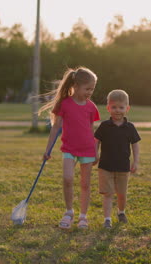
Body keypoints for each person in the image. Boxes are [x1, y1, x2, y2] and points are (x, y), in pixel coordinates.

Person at [39, 67, 100, 229]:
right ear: (76, 86)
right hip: (69, 149)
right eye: (87, 88)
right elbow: (55, 127)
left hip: (87, 149)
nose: (90, 92)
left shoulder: (91, 107)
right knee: (67, 179)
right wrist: (47, 149)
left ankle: (83, 216)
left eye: (92, 89)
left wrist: (96, 151)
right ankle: (69, 212)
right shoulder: (64, 104)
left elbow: (91, 129)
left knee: (85, 184)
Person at [94, 90, 141, 229]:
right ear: (108, 108)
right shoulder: (104, 126)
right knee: (107, 194)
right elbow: (96, 141)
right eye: (114, 107)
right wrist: (95, 154)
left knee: (121, 194)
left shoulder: (130, 127)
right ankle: (107, 219)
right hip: (105, 166)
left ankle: (121, 212)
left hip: (123, 167)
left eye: (121, 107)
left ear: (127, 108)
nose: (117, 111)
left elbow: (135, 145)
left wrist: (136, 161)